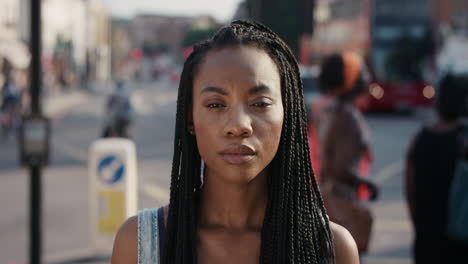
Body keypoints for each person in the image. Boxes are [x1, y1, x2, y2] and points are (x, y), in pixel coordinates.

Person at [111, 20, 359, 264]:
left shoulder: (332, 249)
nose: (239, 125)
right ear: (190, 119)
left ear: (288, 115)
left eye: (260, 103)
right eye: (216, 104)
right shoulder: (139, 244)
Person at [315, 52, 379, 253]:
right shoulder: (348, 117)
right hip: (342, 202)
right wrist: (369, 184)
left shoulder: (329, 111)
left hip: (325, 198)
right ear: (352, 80)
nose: (368, 76)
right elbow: (341, 169)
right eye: (363, 71)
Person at [405, 73, 468, 263]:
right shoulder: (463, 142)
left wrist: (420, 226)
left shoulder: (420, 140)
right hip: (460, 241)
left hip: (427, 240)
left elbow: (410, 192)